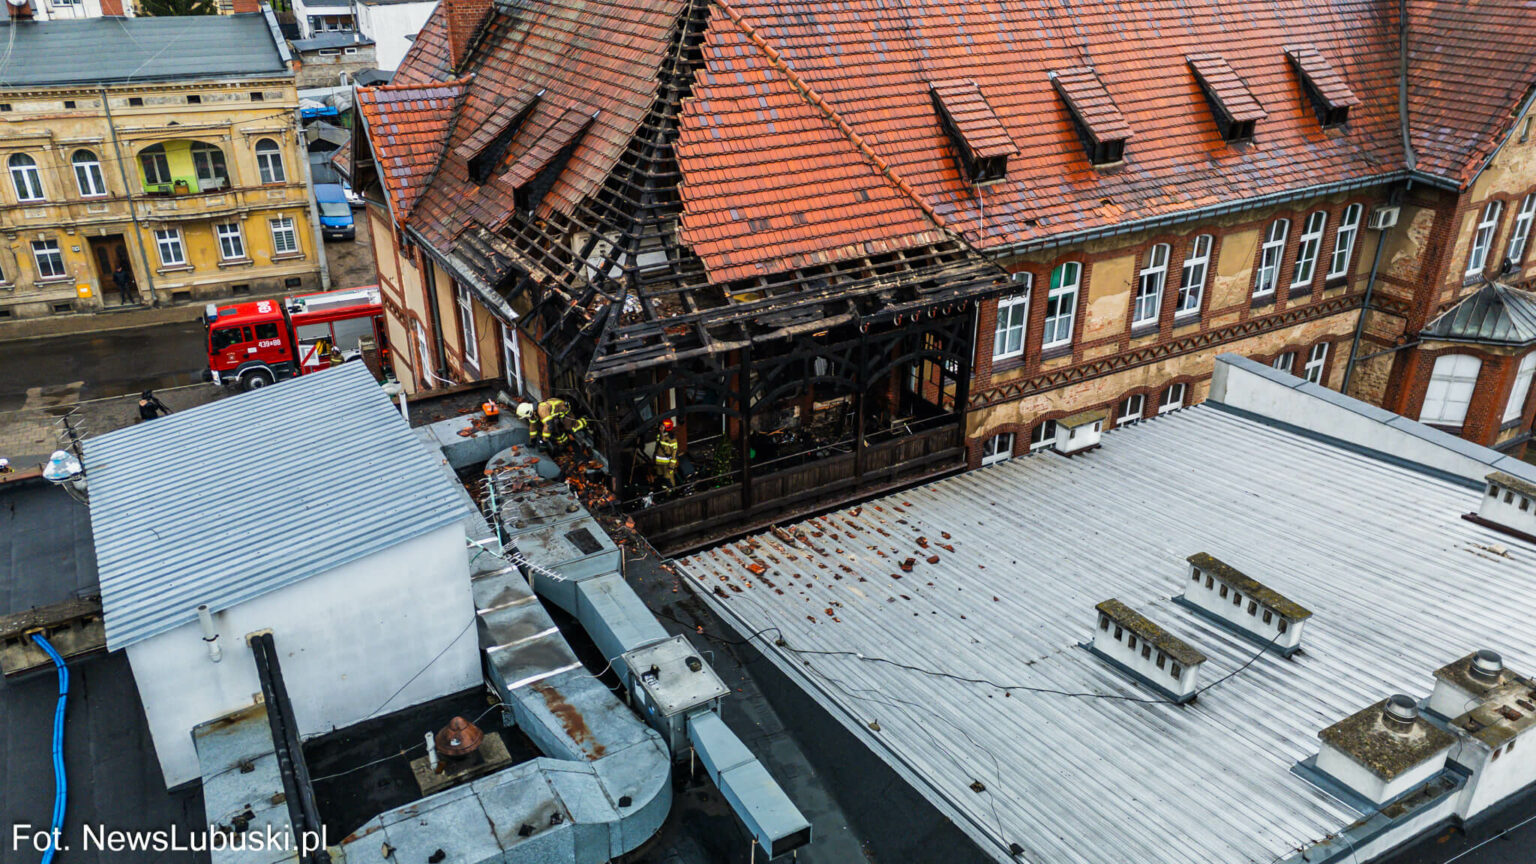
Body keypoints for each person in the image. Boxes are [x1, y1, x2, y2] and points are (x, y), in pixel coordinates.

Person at [652, 420, 679, 487]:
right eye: (660, 426)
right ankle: (664, 493)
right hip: (659, 464)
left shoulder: (672, 439)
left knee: (668, 480)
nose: (660, 428)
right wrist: (654, 458)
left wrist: (671, 466)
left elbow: (674, 454)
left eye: (662, 427)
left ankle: (672, 493)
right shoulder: (659, 436)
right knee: (661, 479)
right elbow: (657, 447)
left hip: (667, 465)